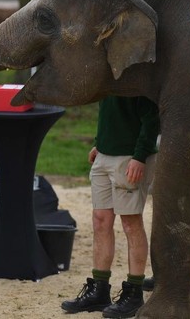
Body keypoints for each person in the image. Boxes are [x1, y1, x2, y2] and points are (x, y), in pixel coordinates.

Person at [62, 96, 159, 318]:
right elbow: (110, 113)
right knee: (100, 220)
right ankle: (99, 290)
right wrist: (101, 143)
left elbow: (152, 118)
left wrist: (140, 156)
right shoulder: (107, 74)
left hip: (130, 158)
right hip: (104, 155)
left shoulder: (136, 75)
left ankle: (134, 293)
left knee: (131, 222)